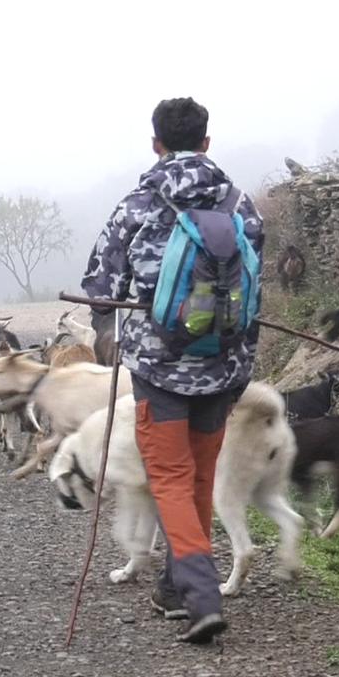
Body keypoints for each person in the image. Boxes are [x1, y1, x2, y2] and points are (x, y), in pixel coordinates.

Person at [80, 97, 264, 645]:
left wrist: (107, 329)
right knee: (199, 477)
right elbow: (253, 285)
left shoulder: (137, 204)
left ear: (155, 143)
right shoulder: (241, 206)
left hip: (159, 369)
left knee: (169, 478)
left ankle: (200, 596)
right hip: (225, 365)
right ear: (207, 143)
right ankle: (173, 584)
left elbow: (99, 286)